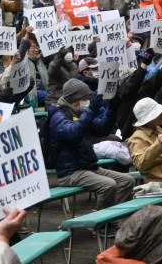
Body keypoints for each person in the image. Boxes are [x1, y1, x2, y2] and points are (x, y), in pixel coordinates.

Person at [48, 79, 134, 213]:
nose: (87, 101)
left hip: (88, 167)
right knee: (108, 185)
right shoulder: (58, 117)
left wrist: (112, 107)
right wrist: (92, 109)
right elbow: (73, 134)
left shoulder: (79, 113)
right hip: (71, 172)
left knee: (127, 180)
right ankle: (103, 224)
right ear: (75, 99)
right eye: (85, 98)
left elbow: (102, 129)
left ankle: (114, 215)